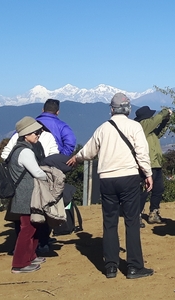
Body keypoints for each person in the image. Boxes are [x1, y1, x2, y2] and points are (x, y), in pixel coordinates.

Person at [66, 93, 155, 280]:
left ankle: (111, 266)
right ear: (128, 109)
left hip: (106, 179)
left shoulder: (103, 128)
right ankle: (134, 267)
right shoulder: (134, 126)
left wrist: (77, 157)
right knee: (131, 221)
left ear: (111, 109)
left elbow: (89, 151)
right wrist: (148, 174)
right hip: (129, 178)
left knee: (110, 222)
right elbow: (142, 153)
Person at [9, 116, 49, 274]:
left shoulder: (19, 149)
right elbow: (37, 172)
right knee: (28, 228)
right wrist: (50, 178)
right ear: (26, 134)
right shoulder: (25, 151)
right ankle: (19, 263)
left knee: (33, 226)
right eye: (36, 133)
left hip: (23, 194)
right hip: (26, 195)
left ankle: (31, 256)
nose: (38, 135)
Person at [134, 105, 172, 225]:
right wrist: (165, 112)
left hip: (155, 164)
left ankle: (153, 213)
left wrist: (165, 122)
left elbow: (158, 132)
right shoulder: (142, 126)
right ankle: (137, 215)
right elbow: (155, 120)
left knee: (158, 189)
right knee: (145, 191)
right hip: (146, 164)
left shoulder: (149, 132)